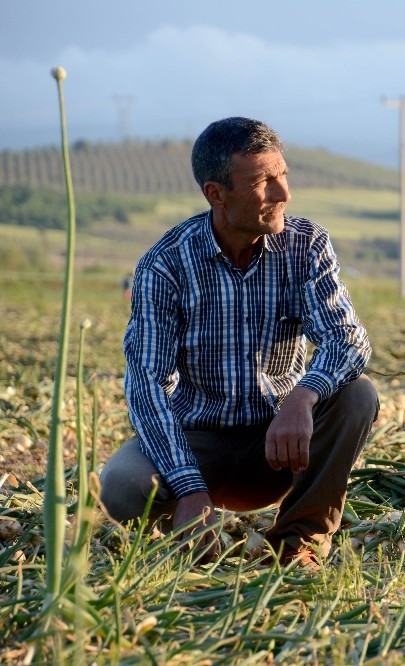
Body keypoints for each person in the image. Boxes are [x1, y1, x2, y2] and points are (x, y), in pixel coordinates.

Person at [100, 117, 379, 568]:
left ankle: (297, 541)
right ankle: (186, 528)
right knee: (122, 485)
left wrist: (302, 398)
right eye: (263, 182)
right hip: (199, 441)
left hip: (280, 441)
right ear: (217, 194)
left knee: (357, 393)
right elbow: (146, 384)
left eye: (282, 175)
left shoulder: (306, 246)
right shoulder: (166, 265)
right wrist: (190, 489)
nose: (283, 193)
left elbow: (348, 339)